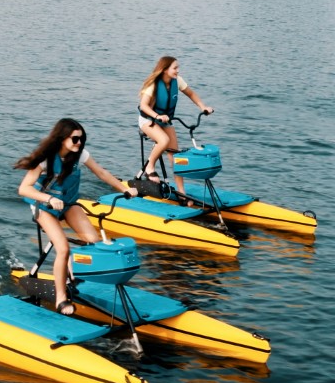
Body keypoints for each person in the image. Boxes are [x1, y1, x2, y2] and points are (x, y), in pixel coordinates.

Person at [16, 118, 139, 315]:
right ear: (62, 138)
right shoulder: (45, 159)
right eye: (75, 139)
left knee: (93, 241)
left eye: (81, 139)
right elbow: (23, 189)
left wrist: (125, 189)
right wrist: (47, 198)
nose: (79, 143)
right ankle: (61, 299)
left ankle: (75, 274)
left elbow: (101, 173)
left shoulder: (80, 155)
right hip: (44, 207)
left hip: (68, 204)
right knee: (63, 248)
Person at [136, 55, 213, 182]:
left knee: (176, 158)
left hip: (165, 121)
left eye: (178, 68)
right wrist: (157, 116)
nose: (178, 70)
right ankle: (149, 168)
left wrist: (203, 107)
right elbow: (144, 106)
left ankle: (182, 193)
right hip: (148, 120)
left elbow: (191, 93)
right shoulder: (154, 84)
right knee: (164, 140)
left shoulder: (177, 81)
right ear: (165, 69)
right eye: (175, 68)